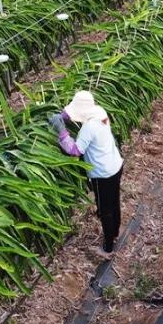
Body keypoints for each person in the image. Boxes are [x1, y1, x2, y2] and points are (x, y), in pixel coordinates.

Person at [50, 91, 123, 260]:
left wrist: (61, 130)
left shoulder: (89, 127)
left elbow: (75, 151)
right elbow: (75, 115)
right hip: (115, 165)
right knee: (114, 202)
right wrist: (64, 116)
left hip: (102, 174)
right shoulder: (100, 112)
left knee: (105, 210)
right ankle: (115, 231)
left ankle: (108, 248)